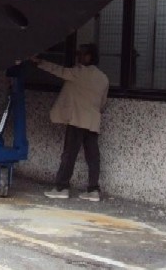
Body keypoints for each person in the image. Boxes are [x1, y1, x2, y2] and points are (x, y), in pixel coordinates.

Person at [31, 43, 109, 202]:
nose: (79, 57)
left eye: (82, 54)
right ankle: (93, 190)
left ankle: (61, 187)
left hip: (77, 120)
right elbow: (103, 104)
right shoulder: (104, 78)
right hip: (93, 122)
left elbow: (58, 70)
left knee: (69, 155)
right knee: (93, 156)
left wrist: (38, 61)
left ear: (88, 57)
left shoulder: (77, 73)